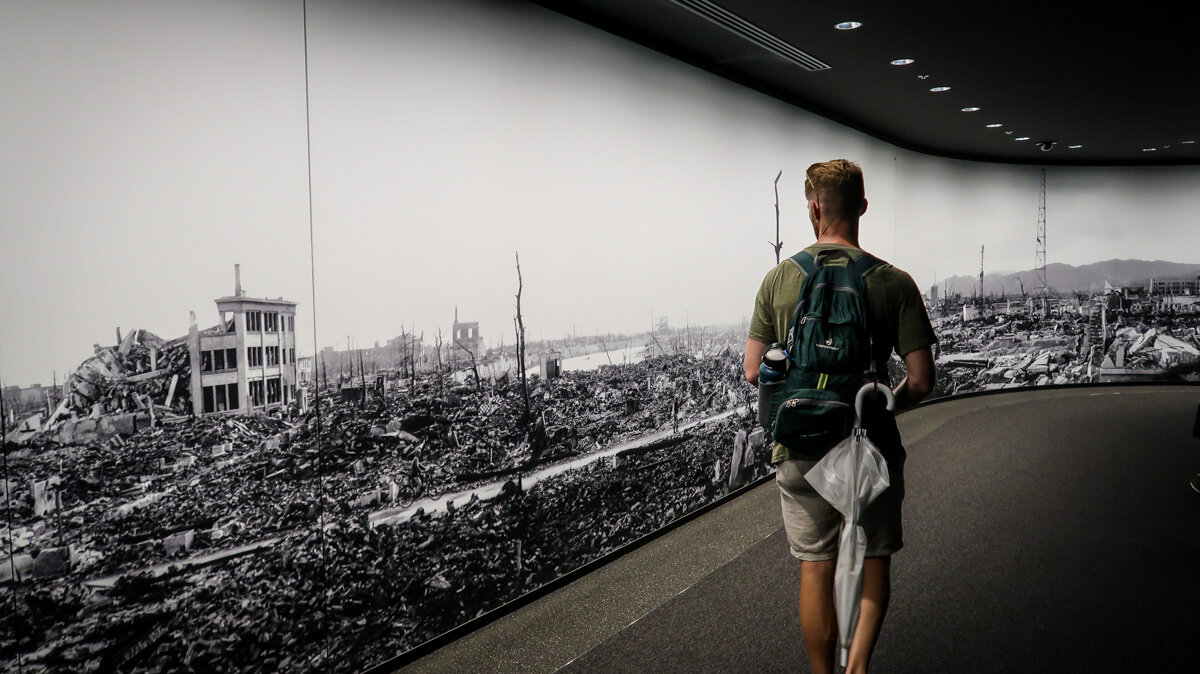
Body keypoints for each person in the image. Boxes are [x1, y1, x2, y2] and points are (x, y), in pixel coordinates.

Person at [743, 159, 937, 674]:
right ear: (863, 207)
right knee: (873, 559)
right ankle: (858, 669)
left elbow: (750, 370)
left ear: (813, 207)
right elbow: (921, 380)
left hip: (800, 452)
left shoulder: (779, 279)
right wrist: (882, 404)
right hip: (868, 447)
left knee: (816, 568)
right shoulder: (893, 282)